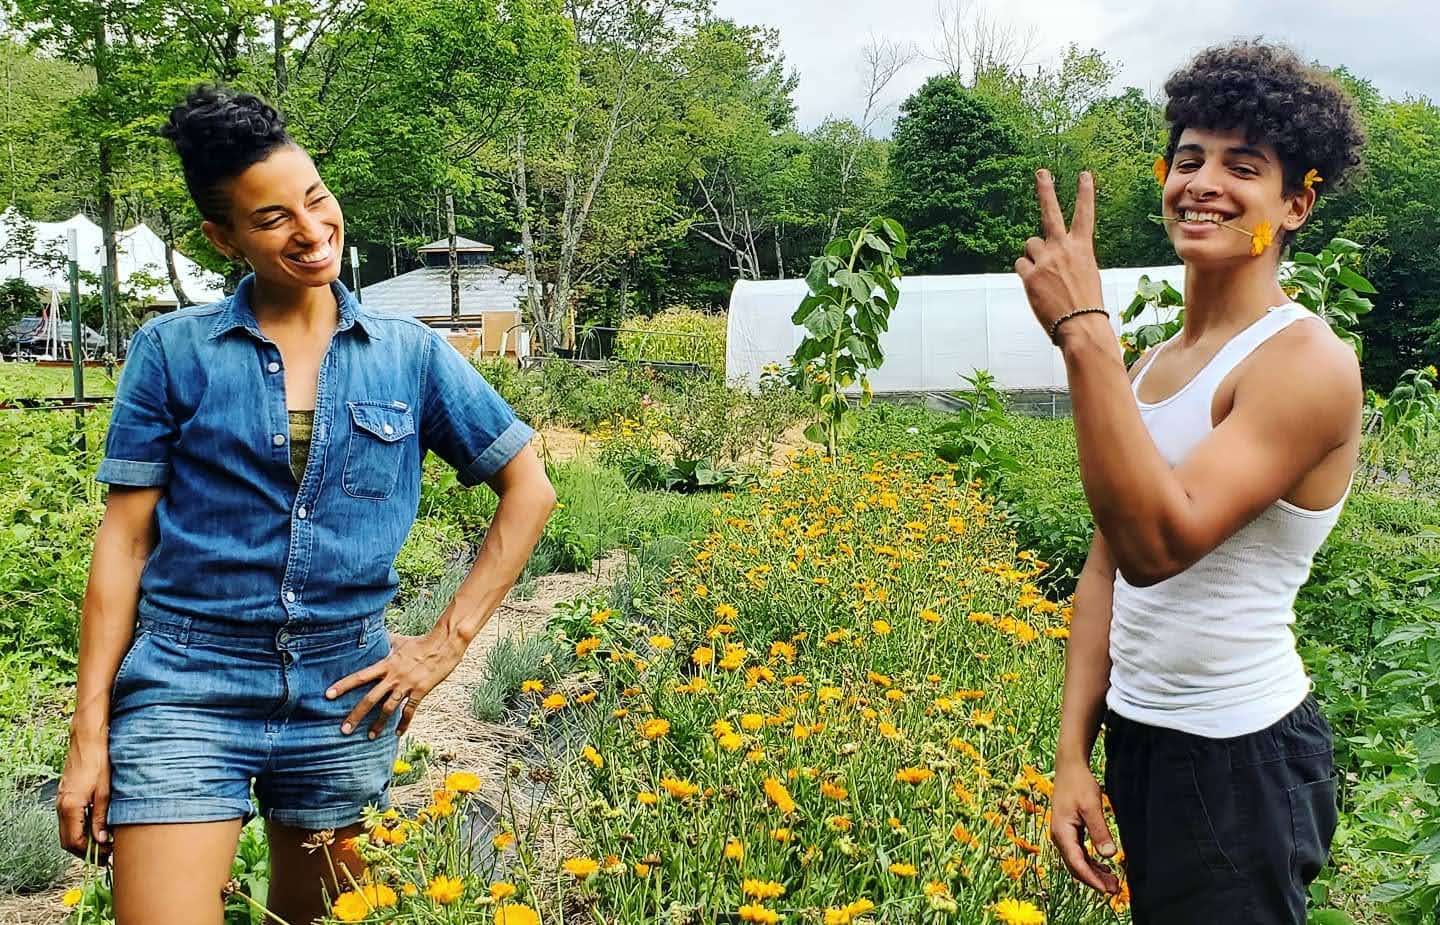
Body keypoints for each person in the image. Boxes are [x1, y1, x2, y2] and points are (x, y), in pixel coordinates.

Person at [55, 84, 556, 925]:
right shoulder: (172, 351)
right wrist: (87, 735)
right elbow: (125, 545)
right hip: (187, 680)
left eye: (316, 199)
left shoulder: (410, 354)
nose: (310, 229)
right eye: (272, 218)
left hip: (344, 686)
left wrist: (443, 647)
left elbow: (529, 488)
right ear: (223, 237)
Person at [1014, 42, 1365, 924]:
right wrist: (1072, 756)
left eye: (1243, 167)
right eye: (1189, 158)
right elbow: (1104, 567)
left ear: (1296, 203)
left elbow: (1157, 546)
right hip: (1146, 737)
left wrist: (1083, 331)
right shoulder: (1156, 362)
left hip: (1238, 758)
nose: (1202, 182)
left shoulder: (1305, 362)